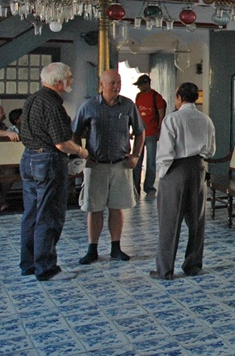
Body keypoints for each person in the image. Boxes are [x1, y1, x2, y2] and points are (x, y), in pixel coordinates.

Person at [19, 62, 89, 281]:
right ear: (58, 82)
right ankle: (47, 268)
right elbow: (61, 143)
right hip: (48, 161)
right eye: (69, 76)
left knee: (31, 214)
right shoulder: (52, 105)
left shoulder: (32, 99)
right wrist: (81, 151)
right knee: (50, 215)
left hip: (29, 158)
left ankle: (29, 263)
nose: (71, 80)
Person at [73, 69, 145, 265]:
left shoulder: (128, 105)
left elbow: (140, 132)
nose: (117, 86)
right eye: (112, 83)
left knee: (117, 208)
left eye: (119, 82)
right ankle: (92, 249)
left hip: (120, 165)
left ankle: (116, 247)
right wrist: (81, 154)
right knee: (94, 208)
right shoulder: (88, 106)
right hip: (96, 165)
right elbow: (75, 132)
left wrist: (136, 155)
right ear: (102, 85)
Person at [151, 82, 216, 280]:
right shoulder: (206, 120)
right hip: (198, 168)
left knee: (170, 220)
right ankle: (193, 265)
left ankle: (165, 269)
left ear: (179, 97)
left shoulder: (173, 119)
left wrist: (161, 177)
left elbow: (165, 152)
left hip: (175, 170)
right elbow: (211, 150)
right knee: (196, 219)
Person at [132, 74, 167, 198]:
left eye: (141, 85)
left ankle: (149, 188)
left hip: (151, 133)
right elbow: (136, 113)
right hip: (139, 133)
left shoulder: (156, 97)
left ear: (147, 83)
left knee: (151, 162)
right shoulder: (139, 96)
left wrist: (159, 129)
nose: (139, 88)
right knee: (136, 160)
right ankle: (135, 188)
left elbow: (161, 113)